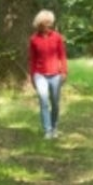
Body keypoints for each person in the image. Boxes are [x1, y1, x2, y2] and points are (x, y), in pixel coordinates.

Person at [28, 10, 68, 138]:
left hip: (56, 74)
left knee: (55, 102)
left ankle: (54, 126)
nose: (49, 25)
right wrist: (32, 76)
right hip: (40, 75)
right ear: (40, 24)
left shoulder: (57, 37)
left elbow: (62, 56)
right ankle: (48, 130)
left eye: (50, 22)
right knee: (44, 101)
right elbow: (32, 59)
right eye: (46, 23)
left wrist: (64, 72)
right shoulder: (33, 39)